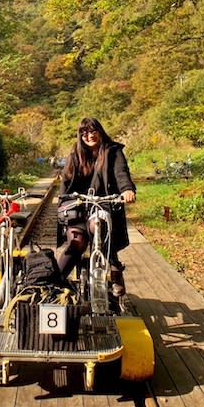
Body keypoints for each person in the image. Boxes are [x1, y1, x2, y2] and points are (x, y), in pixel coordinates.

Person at [56, 117, 137, 297]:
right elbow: (66, 183)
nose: (89, 136)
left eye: (93, 131)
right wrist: (63, 203)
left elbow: (121, 172)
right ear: (80, 135)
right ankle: (54, 283)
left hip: (102, 204)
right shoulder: (75, 155)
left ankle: (115, 270)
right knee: (76, 242)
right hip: (77, 207)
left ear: (100, 132)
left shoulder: (112, 151)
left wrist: (127, 190)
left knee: (98, 226)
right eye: (85, 133)